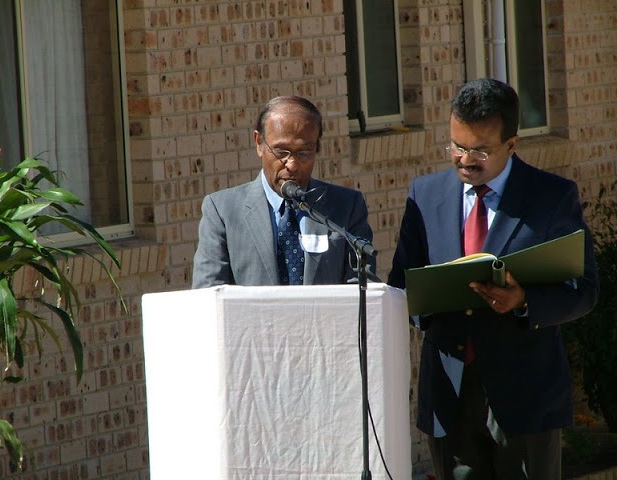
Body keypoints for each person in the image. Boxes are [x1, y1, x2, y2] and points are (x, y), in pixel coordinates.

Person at [387, 78, 598, 479]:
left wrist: (524, 302)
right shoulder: (425, 195)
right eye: (456, 146)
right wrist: (424, 306)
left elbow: (583, 290)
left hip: (526, 397)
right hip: (450, 394)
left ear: (512, 144)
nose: (465, 160)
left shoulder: (551, 197)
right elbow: (401, 284)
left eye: (480, 150)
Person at [192, 95, 376, 288]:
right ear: (259, 143)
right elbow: (209, 293)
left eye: (303, 153)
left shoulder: (346, 207)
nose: (292, 165)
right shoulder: (222, 211)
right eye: (281, 152)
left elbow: (362, 289)